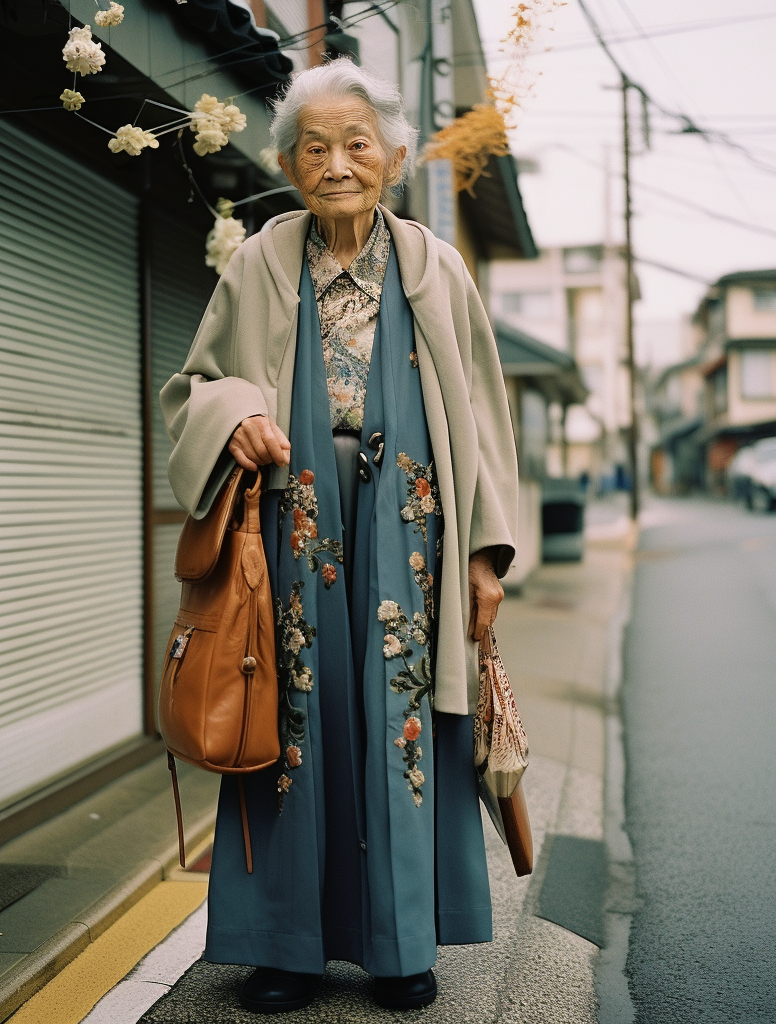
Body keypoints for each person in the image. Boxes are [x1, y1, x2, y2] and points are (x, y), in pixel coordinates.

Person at [160, 58, 518, 1015]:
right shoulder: (259, 261)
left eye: (356, 144)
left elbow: (482, 415)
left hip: (414, 532)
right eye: (313, 147)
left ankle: (402, 946)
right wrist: (234, 411)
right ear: (287, 163)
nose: (336, 163)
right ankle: (286, 948)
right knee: (293, 721)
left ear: (394, 156)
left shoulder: (435, 266)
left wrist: (485, 553)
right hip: (290, 524)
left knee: (401, 718)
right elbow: (189, 389)